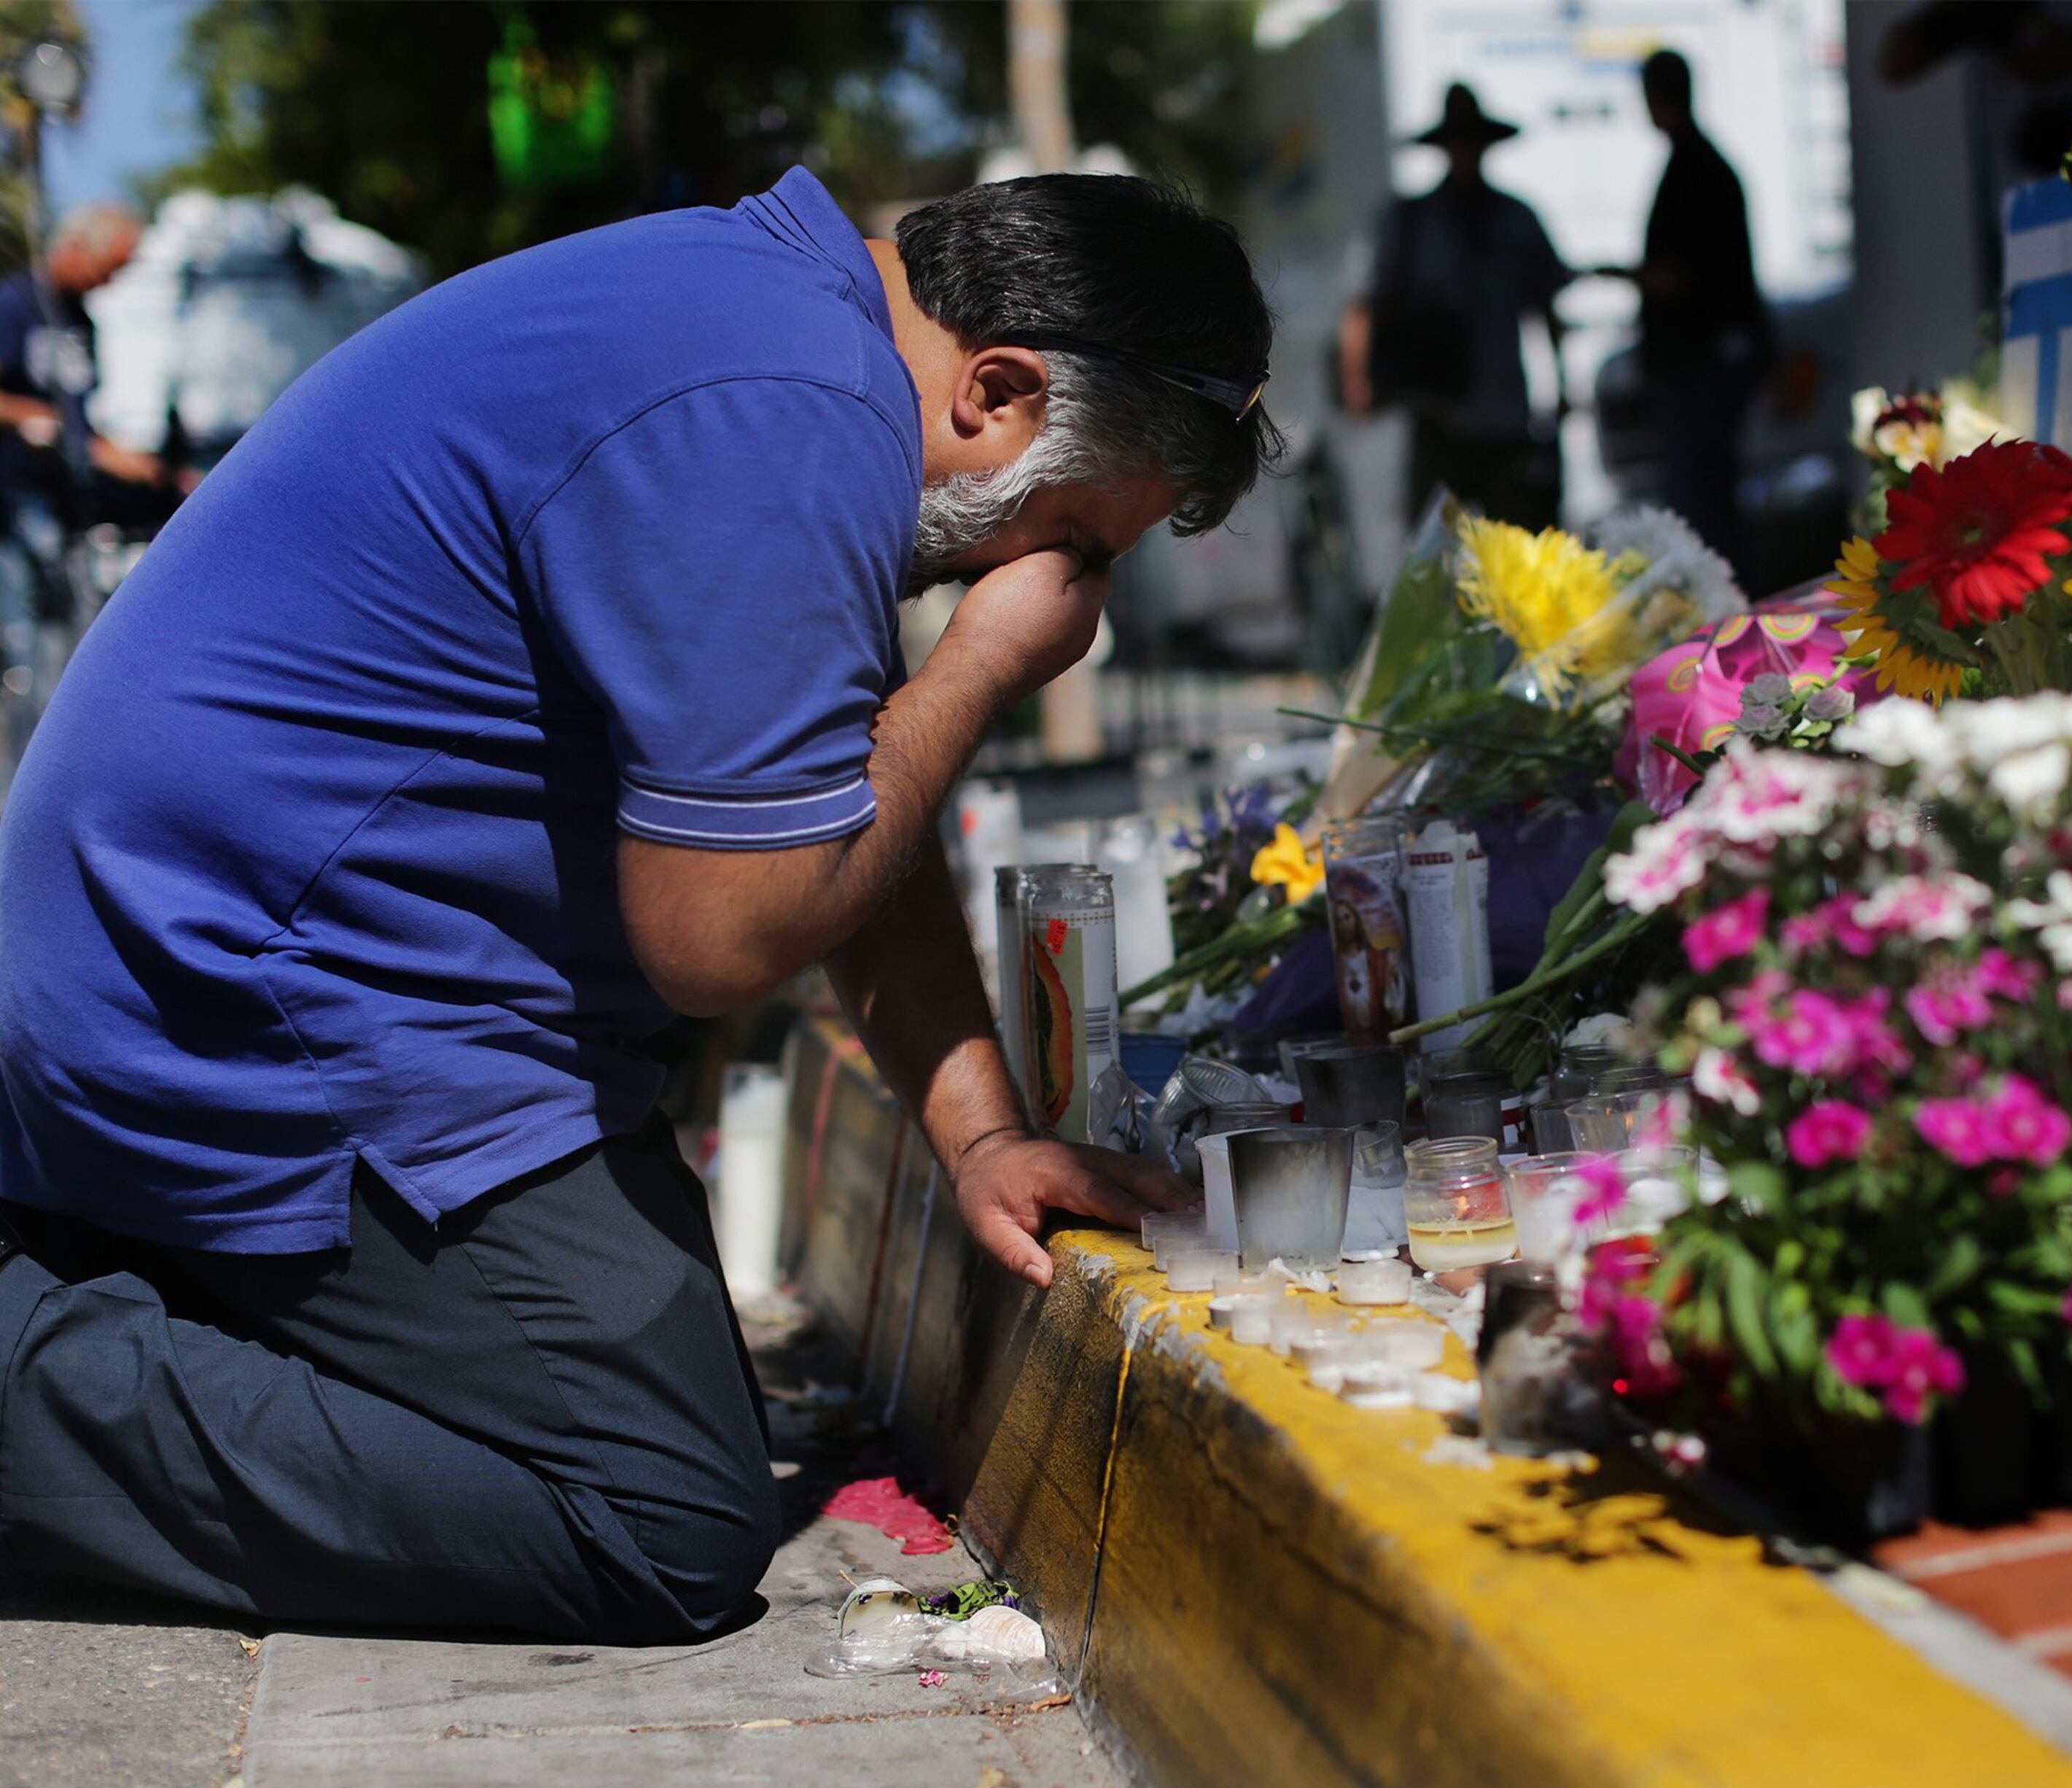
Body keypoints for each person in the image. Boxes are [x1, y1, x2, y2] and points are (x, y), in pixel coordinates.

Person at [0, 170, 1262, 1643]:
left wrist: (982, 1134)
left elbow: (835, 792)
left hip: (255, 959)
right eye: (1080, 543)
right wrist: (979, 668)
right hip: (248, 1001)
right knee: (656, 1510)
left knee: (627, 1408)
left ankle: (125, 1283)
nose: (1063, 587)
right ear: (995, 393)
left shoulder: (785, 327)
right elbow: (726, 933)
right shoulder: (773, 415)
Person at [1341, 83, 1570, 529]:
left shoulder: (1517, 218)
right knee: (1433, 558)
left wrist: (1561, 385)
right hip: (1438, 418)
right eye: (1458, 142)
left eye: (1473, 142)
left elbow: (1547, 306)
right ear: (1445, 148)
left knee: (1518, 554)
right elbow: (1364, 303)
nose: (1467, 152)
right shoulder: (1412, 221)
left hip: (1507, 417)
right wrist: (1358, 378)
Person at [0, 205, 184, 754]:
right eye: (109, 266)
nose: (112, 283)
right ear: (75, 248)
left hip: (63, 500)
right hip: (13, 497)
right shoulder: (14, 307)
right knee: (30, 641)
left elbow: (81, 421)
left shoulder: (81, 322)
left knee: (70, 635)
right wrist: (44, 423)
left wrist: (123, 459)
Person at [1613, 48, 1766, 565]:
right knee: (1708, 505)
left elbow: (1679, 276)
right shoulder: (1703, 164)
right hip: (1708, 364)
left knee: (1702, 515)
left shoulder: (1693, 170)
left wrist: (1618, 275)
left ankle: (1725, 631)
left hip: (1699, 367)